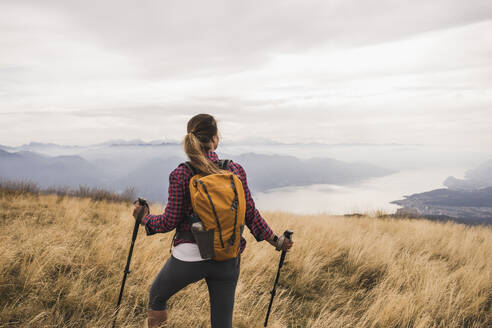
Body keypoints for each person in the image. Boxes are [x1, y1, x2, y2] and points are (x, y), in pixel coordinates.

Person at [132, 113, 294, 328]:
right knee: (222, 322)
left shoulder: (181, 174)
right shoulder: (235, 170)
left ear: (190, 138)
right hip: (227, 256)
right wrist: (277, 241)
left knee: (157, 296)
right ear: (215, 139)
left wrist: (144, 218)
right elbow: (250, 214)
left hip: (190, 257)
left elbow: (168, 221)